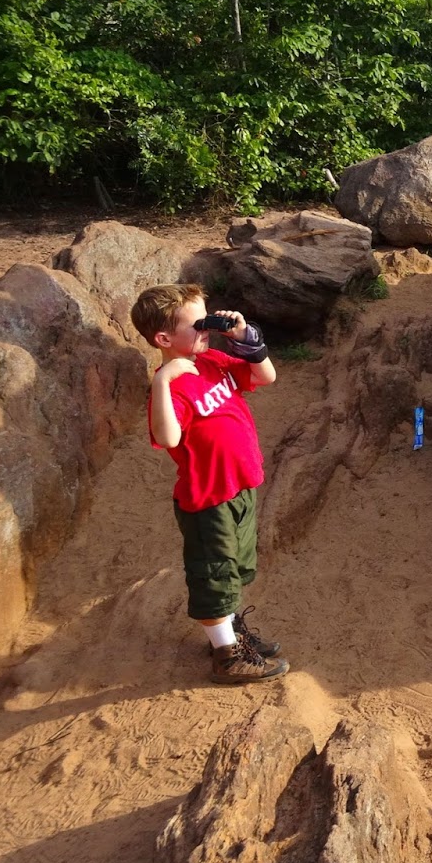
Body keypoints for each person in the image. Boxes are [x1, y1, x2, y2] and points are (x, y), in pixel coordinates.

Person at [130, 283, 288, 685]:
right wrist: (163, 381)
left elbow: (265, 377)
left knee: (235, 567)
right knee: (214, 574)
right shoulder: (173, 385)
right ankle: (227, 655)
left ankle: (230, 633)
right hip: (207, 500)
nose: (207, 329)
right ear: (163, 339)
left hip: (240, 487)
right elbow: (167, 438)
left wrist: (248, 341)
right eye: (198, 324)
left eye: (208, 319)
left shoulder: (214, 360)